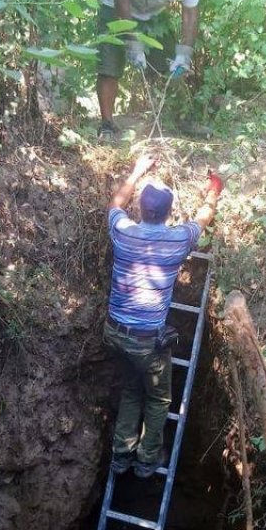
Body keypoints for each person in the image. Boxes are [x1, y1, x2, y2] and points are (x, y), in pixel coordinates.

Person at [104, 149, 221, 478]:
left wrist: (137, 170)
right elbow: (204, 217)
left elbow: (115, 203)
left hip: (114, 333)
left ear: (140, 209)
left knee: (131, 389)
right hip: (145, 342)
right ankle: (146, 460)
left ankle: (121, 455)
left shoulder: (123, 230)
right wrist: (214, 189)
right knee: (157, 399)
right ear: (169, 214)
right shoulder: (177, 240)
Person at [95, 0, 203, 140]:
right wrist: (132, 43)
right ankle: (107, 125)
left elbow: (190, 13)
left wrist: (185, 53)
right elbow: (122, 0)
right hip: (116, 5)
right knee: (110, 65)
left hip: (152, 11)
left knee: (170, 62)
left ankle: (180, 120)